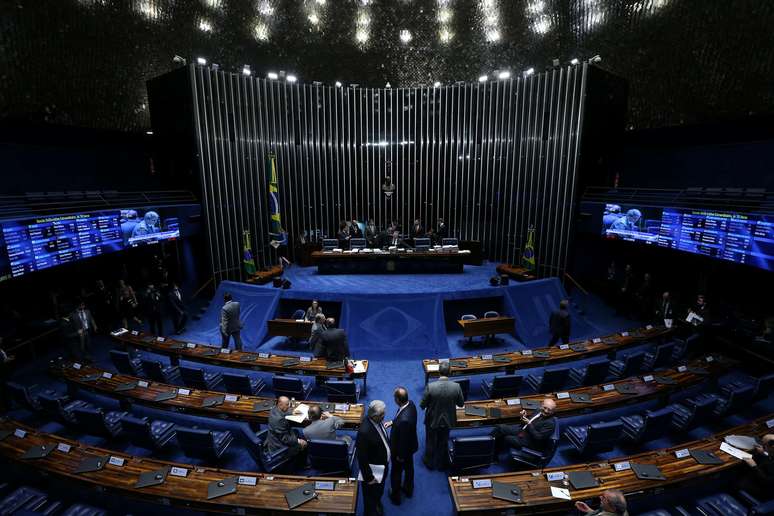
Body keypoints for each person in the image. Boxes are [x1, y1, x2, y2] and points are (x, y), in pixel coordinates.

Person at [420, 361, 464, 470]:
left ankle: (429, 462)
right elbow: (461, 404)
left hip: (432, 419)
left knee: (430, 441)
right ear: (450, 372)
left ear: (439, 372)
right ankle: (441, 464)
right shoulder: (456, 387)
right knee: (443, 441)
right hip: (448, 419)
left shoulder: (431, 386)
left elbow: (422, 405)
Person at [357, 400, 391, 516]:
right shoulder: (364, 432)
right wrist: (369, 477)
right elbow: (362, 458)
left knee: (379, 490)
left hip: (382, 467)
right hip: (373, 472)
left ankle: (377, 502)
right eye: (381, 415)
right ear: (374, 416)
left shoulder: (377, 421)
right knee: (370, 495)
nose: (384, 416)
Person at [387, 386, 418, 505]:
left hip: (401, 451)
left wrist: (400, 456)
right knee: (409, 468)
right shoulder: (411, 404)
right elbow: (401, 416)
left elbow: (403, 440)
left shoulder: (404, 421)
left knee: (396, 472)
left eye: (394, 397)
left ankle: (395, 496)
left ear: (398, 400)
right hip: (410, 446)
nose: (394, 399)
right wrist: (393, 422)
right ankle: (408, 489)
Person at [491, 398, 557, 453]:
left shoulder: (550, 423)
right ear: (541, 405)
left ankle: (494, 452)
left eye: (549, 410)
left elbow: (538, 437)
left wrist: (529, 424)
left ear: (553, 411)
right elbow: (529, 422)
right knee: (500, 427)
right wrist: (524, 417)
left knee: (507, 438)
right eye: (545, 408)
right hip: (523, 430)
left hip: (530, 441)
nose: (546, 411)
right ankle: (488, 442)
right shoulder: (538, 410)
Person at [265, 396, 307, 462]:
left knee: (296, 432)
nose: (289, 406)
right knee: (304, 443)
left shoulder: (273, 409)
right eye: (287, 404)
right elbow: (285, 439)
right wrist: (298, 441)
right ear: (280, 404)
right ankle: (302, 464)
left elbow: (283, 411)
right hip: (279, 447)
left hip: (274, 438)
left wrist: (293, 412)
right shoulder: (279, 420)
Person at [740, 434, 774, 498]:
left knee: (737, 480)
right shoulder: (771, 452)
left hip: (765, 490)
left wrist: (754, 466)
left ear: (772, 447)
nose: (763, 448)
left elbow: (767, 481)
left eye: (764, 446)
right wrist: (765, 453)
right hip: (763, 478)